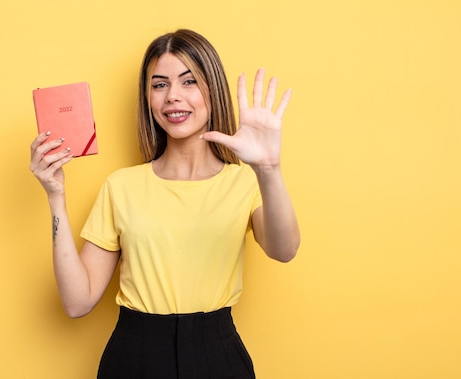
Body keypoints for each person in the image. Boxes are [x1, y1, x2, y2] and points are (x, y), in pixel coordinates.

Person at [30, 29, 300, 379]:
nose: (173, 96)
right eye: (159, 85)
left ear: (212, 91)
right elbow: (77, 302)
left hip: (216, 355)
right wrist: (55, 196)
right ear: (148, 98)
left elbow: (284, 249)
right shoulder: (121, 186)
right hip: (134, 356)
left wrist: (269, 169)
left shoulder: (246, 181)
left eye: (189, 82)